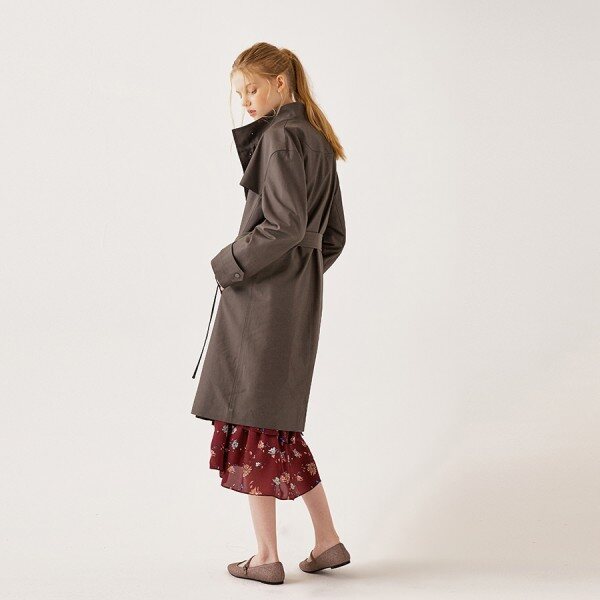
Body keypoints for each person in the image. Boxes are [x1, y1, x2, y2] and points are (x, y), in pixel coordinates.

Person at [190, 42, 350, 585]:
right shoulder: (319, 140)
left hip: (262, 301)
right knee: (274, 423)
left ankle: (265, 556)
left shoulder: (281, 137)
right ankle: (326, 540)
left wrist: (229, 262)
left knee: (253, 419)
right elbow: (332, 237)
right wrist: (301, 280)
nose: (246, 101)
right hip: (295, 299)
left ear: (281, 81)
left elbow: (281, 227)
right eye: (239, 93)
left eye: (252, 88)